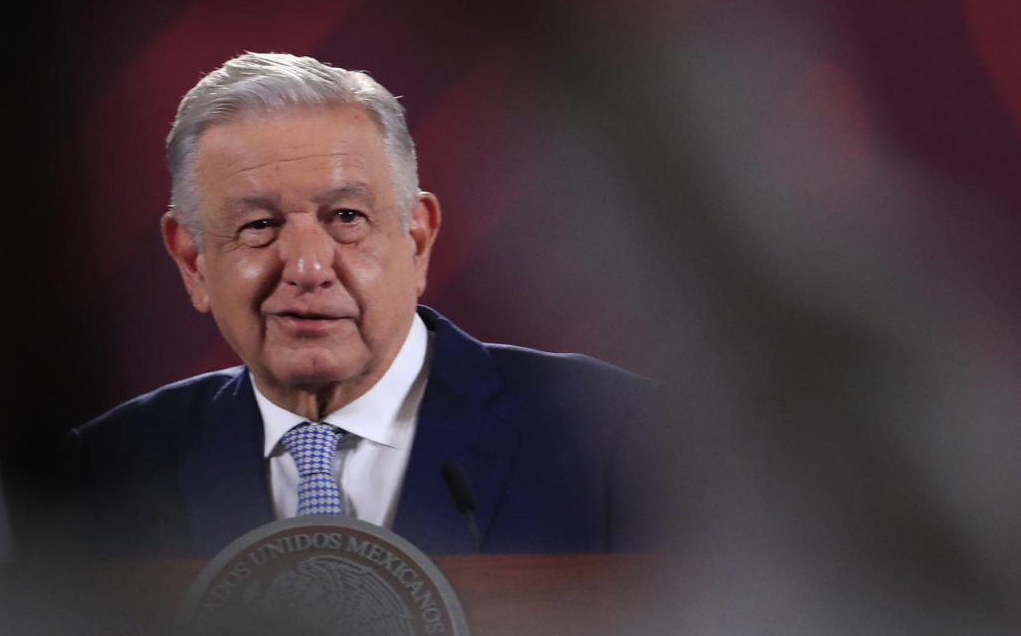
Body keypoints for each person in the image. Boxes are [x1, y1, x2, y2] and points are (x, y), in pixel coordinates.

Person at [76, 52, 658, 557]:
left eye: (347, 218)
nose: (306, 268)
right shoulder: (104, 471)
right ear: (193, 261)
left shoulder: (615, 436)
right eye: (258, 225)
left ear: (418, 239)